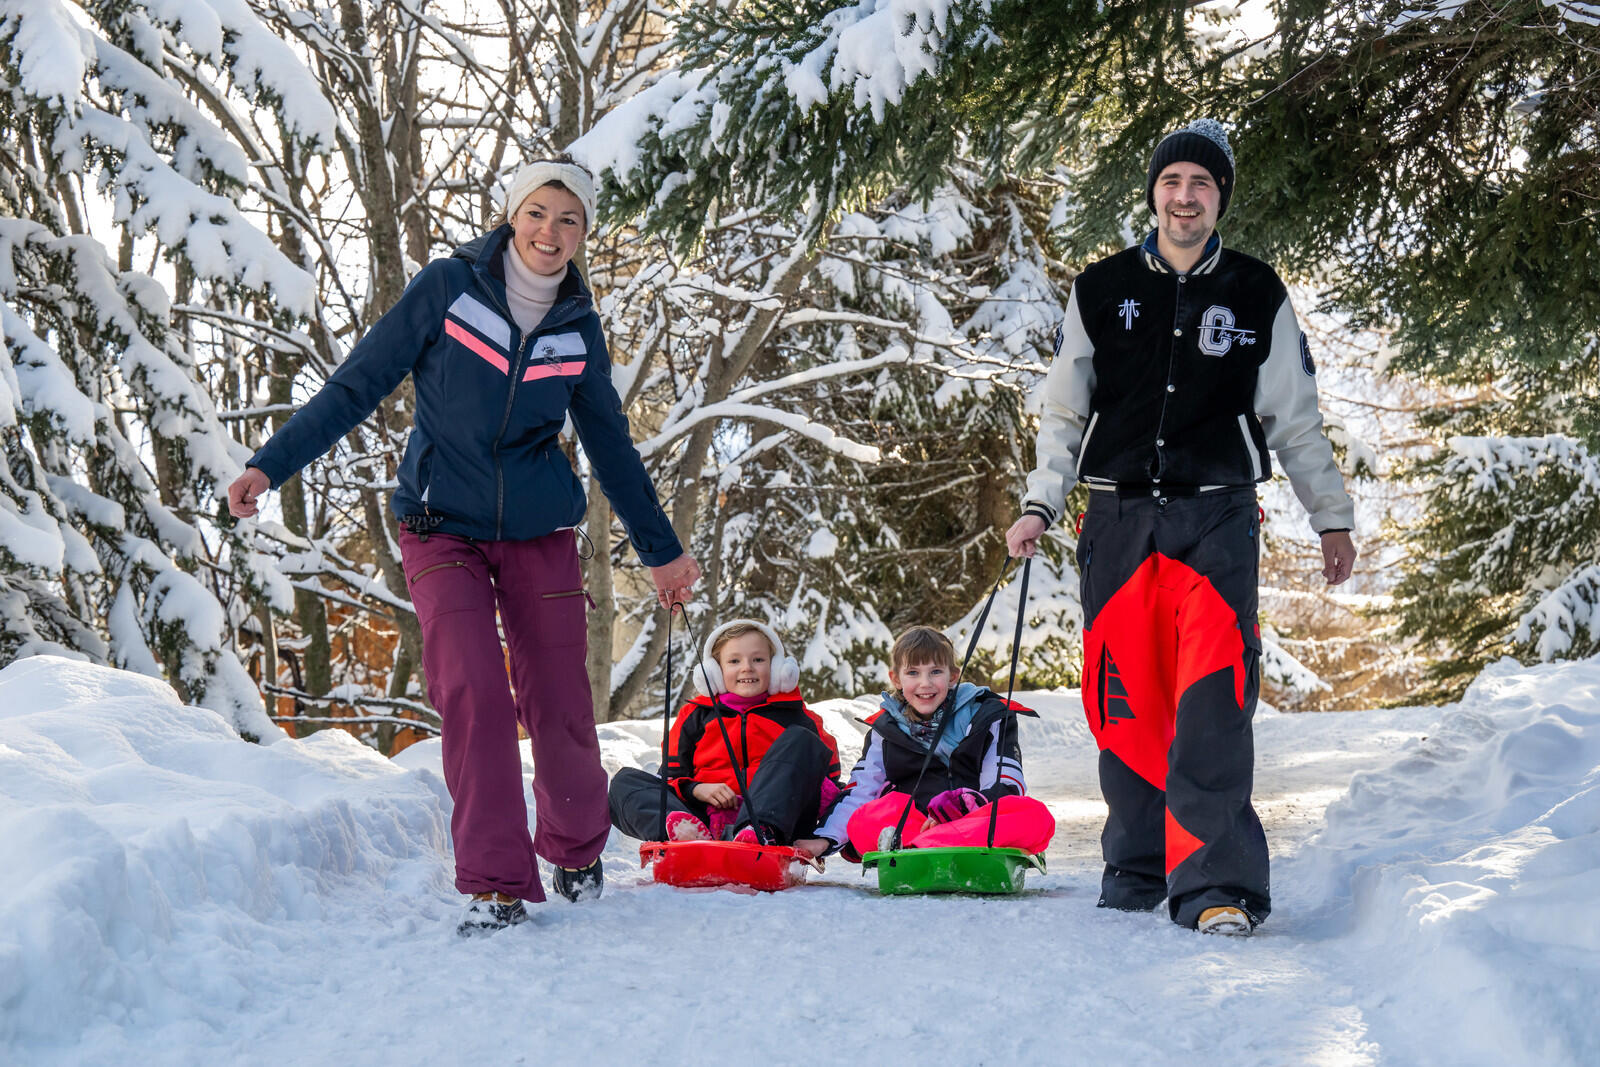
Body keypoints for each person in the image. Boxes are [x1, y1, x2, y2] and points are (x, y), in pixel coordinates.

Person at [226, 156, 701, 936]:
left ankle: (577, 848)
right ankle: (493, 882)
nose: (551, 231)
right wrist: (270, 463)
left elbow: (610, 444)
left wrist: (662, 551)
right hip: (439, 525)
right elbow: (357, 384)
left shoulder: (577, 326)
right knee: (474, 692)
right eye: (539, 212)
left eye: (570, 218)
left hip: (539, 531)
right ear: (513, 215)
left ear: (583, 233)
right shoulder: (449, 289)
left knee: (558, 695)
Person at [1004, 118, 1357, 936]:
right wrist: (1038, 502)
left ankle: (1216, 886)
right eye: (1172, 183)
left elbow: (1294, 418)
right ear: (1153, 195)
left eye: (1201, 184)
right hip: (1119, 516)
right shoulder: (1099, 289)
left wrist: (1330, 517)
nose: (1185, 197)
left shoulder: (1256, 291)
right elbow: (1063, 411)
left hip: (1216, 515)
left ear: (1219, 197)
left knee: (1213, 697)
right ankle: (1139, 867)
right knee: (1126, 698)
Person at [812, 626, 1055, 860]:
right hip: (914, 823)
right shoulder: (885, 730)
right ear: (896, 679)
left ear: (953, 677)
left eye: (936, 672)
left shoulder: (988, 716)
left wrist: (968, 802)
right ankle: (938, 845)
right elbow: (861, 791)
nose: (925, 683)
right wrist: (825, 839)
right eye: (913, 673)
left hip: (971, 820)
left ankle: (922, 848)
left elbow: (1007, 782)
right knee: (866, 819)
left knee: (1035, 816)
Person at [609, 619, 841, 857]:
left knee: (801, 740)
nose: (747, 668)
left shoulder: (801, 719)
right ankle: (684, 833)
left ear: (777, 667)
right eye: (734, 661)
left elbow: (831, 786)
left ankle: (758, 832)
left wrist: (823, 837)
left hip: (778, 824)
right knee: (624, 782)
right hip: (705, 818)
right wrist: (696, 789)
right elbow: (669, 778)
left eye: (758, 659)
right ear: (714, 671)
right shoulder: (694, 717)